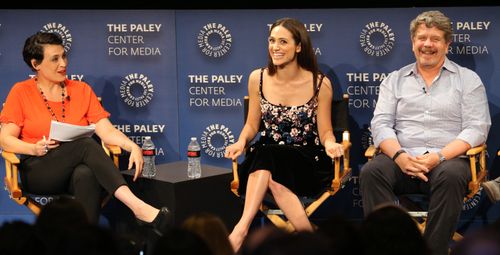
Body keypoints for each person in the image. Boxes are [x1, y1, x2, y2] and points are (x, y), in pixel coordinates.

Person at [0, 32, 171, 234]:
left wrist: (131, 146)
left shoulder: (81, 90)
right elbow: (5, 139)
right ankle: (137, 207)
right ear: (36, 64)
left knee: (86, 174)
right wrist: (33, 148)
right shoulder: (21, 92)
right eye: (54, 59)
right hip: (39, 169)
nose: (63, 63)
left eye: (64, 56)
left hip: (75, 170)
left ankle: (83, 242)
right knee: (87, 145)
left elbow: (106, 130)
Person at [359, 10, 491, 255]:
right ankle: (386, 249)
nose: (427, 44)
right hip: (401, 159)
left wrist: (438, 157)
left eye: (435, 39)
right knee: (371, 172)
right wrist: (399, 156)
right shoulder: (394, 80)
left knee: (451, 175)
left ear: (447, 44)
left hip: (447, 161)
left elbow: (477, 128)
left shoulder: (468, 80)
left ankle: (432, 251)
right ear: (412, 43)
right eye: (421, 38)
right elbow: (381, 124)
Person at [224, 17, 344, 252]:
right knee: (270, 164)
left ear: (299, 46)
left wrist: (331, 144)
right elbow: (252, 125)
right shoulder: (256, 78)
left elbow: (325, 131)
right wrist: (241, 141)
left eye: (283, 42)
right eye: (271, 41)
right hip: (266, 159)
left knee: (268, 161)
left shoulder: (320, 84)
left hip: (306, 160)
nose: (275, 47)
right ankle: (312, 239)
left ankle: (240, 230)